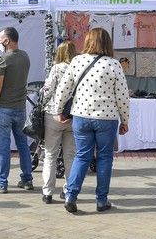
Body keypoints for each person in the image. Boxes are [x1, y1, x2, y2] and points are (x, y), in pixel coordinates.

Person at [52, 29, 130, 214]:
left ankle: (71, 195)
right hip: (106, 118)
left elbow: (63, 88)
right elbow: (122, 96)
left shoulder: (77, 61)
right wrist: (125, 120)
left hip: (81, 115)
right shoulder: (113, 64)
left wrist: (57, 110)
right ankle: (101, 200)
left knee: (82, 156)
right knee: (104, 158)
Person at [0, 27, 34, 194]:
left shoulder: (3, 60)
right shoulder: (24, 56)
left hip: (3, 109)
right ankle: (27, 178)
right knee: (23, 145)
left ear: (7, 41)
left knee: (3, 147)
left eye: (0, 40)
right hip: (20, 108)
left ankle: (1, 182)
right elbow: (10, 63)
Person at [40, 41, 78, 204]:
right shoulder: (79, 68)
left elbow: (47, 90)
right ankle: (68, 190)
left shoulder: (57, 68)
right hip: (73, 114)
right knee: (70, 156)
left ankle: (48, 192)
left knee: (50, 154)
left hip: (53, 114)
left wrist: (42, 96)